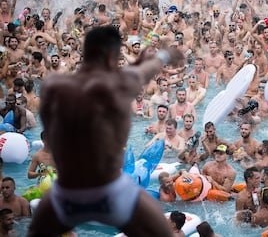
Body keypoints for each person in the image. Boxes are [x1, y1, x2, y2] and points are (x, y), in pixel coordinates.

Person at [28, 26, 183, 236]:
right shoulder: (121, 83)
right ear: (113, 54)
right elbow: (149, 68)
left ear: (86, 50)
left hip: (66, 193)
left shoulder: (53, 86)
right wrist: (167, 53)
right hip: (112, 193)